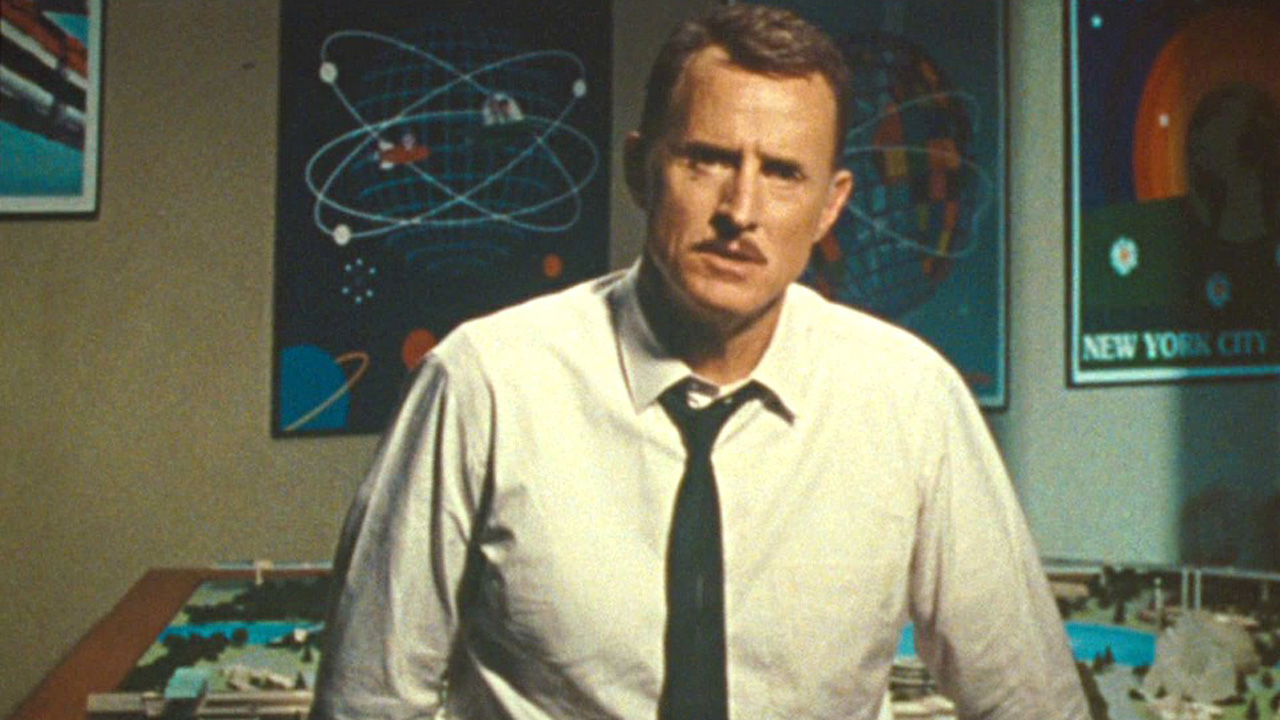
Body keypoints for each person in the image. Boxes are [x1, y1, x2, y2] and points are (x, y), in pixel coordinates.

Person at [310, 5, 1089, 720]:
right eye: (708, 160)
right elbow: (366, 704)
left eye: (783, 173)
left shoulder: (910, 400)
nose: (740, 212)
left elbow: (1032, 706)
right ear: (641, 169)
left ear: (830, 205)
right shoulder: (485, 384)